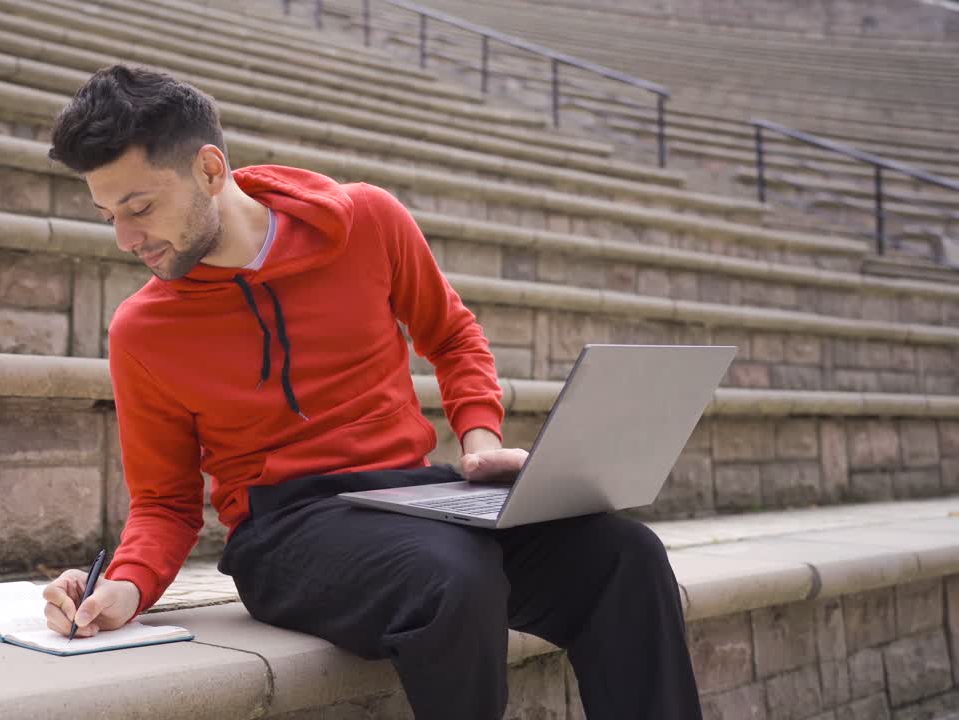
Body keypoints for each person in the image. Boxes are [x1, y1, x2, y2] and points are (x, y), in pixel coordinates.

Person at [39, 64, 703, 719]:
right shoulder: (143, 330)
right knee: (453, 577)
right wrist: (124, 587)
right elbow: (164, 501)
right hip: (284, 532)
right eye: (108, 215)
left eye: (140, 208)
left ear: (211, 171)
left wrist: (480, 445)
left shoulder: (365, 222)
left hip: (418, 499)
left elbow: (452, 335)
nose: (126, 239)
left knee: (626, 556)